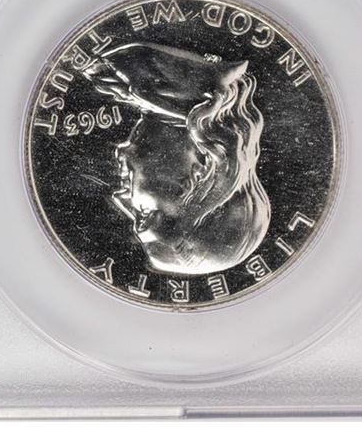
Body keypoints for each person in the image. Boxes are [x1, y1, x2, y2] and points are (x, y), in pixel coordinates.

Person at [80, 41, 270, 275]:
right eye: (145, 215)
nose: (120, 198)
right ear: (201, 171)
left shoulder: (130, 80)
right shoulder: (137, 66)